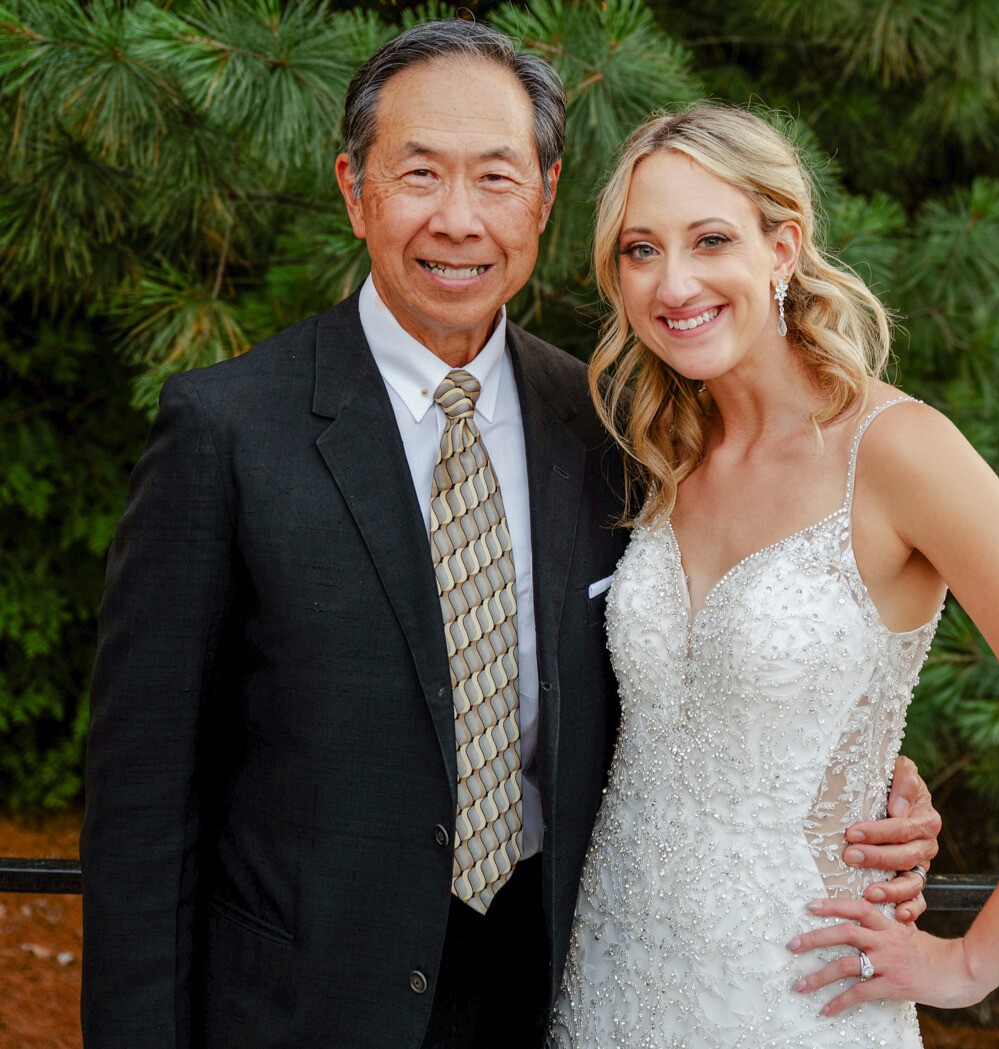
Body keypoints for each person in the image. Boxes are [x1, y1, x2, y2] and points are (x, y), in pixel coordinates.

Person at [80, 23, 940, 1049]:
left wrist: (866, 766)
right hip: (307, 1004)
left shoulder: (613, 427)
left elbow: (700, 659)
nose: (457, 220)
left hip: (553, 989)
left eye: (495, 177)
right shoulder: (226, 430)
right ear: (355, 192)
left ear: (543, 195)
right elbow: (141, 809)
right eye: (418, 175)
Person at [549, 103, 999, 1048]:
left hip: (800, 993)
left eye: (711, 239)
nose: (674, 282)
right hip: (612, 979)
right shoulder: (659, 451)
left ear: (782, 246)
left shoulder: (899, 451)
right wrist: (877, 775)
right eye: (640, 250)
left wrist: (968, 964)